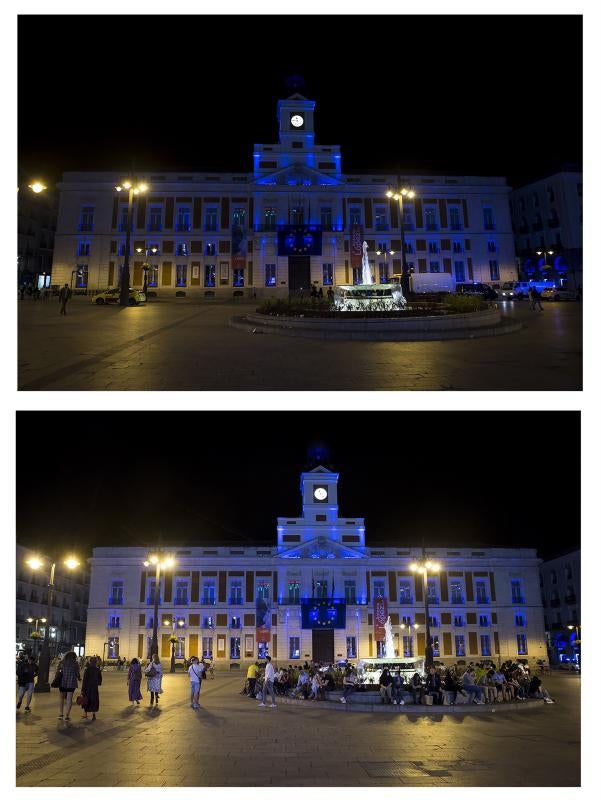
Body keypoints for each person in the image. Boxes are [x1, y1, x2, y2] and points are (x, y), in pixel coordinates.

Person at [57, 651, 81, 720]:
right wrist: (79, 678)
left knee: (61, 698)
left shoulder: (62, 663)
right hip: (71, 683)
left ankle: (61, 714)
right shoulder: (75, 664)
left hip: (62, 682)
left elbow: (58, 672)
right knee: (69, 699)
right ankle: (67, 715)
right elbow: (77, 673)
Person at [81, 655, 102, 721]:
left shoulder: (87, 670)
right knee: (94, 700)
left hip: (87, 688)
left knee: (86, 700)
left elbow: (85, 680)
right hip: (94, 688)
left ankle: (85, 713)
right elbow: (100, 679)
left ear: (90, 662)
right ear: (95, 662)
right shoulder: (97, 670)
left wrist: (83, 689)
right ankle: (93, 714)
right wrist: (97, 683)